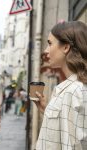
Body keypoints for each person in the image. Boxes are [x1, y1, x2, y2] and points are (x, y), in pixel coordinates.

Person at [34, 21, 87, 150]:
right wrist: (46, 109)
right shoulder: (70, 89)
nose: (46, 51)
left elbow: (74, 146)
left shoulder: (74, 91)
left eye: (50, 43)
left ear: (65, 47)